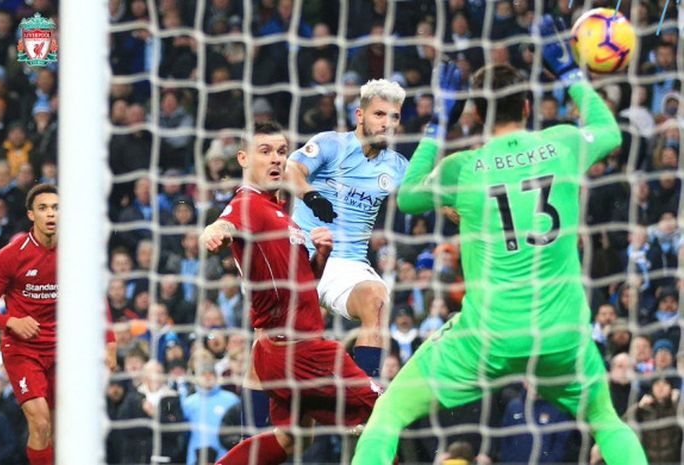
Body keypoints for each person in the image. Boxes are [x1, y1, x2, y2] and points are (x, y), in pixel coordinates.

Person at [351, 16, 648, 465]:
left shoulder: (464, 167)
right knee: (606, 419)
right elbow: (609, 131)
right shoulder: (562, 143)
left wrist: (438, 122)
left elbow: (408, 197)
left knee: (388, 415)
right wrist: (569, 74)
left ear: (477, 114)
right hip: (560, 334)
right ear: (527, 108)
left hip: (487, 338)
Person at [201, 121, 382, 465]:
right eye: (265, 152)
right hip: (299, 351)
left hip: (283, 349)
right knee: (385, 411)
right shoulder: (249, 204)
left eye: (282, 152)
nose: (276, 160)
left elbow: (303, 287)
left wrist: (321, 258)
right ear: (242, 158)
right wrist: (214, 233)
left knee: (293, 438)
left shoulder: (284, 217)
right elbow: (224, 223)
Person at [0, 184, 118, 465]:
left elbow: (96, 298)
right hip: (23, 350)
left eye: (56, 207)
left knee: (61, 431)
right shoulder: (11, 256)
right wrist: (11, 322)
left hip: (63, 350)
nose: (51, 214)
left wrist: (109, 343)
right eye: (43, 208)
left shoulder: (77, 253)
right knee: (41, 423)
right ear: (32, 215)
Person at [285, 78, 409, 378]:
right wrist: (311, 195)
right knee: (272, 346)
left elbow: (429, 197)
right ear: (360, 115)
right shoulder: (331, 143)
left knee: (377, 298)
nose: (387, 123)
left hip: (346, 263)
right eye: (379, 114)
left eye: (394, 117)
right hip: (301, 256)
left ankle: (365, 395)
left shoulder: (397, 166)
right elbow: (292, 168)